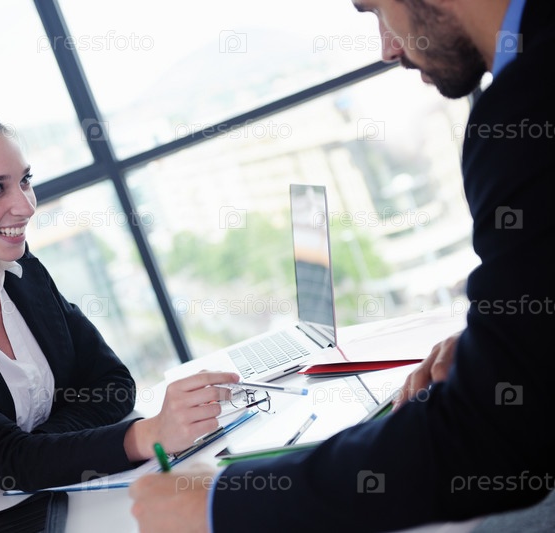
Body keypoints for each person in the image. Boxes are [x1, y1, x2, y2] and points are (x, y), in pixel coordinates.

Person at [130, 0, 555, 531]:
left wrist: (219, 504)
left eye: (375, 9)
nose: (387, 48)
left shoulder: (525, 110)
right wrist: (502, 346)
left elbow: (492, 436)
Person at [0, 101, 238, 531]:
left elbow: (111, 384)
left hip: (64, 497)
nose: (26, 205)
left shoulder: (21, 269)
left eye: (24, 181)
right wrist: (149, 434)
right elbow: (7, 462)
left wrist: (25, 450)